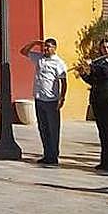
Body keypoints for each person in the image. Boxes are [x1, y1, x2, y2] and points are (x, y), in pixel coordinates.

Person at [21, 37, 67, 166]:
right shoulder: (39, 58)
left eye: (49, 46)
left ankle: (53, 155)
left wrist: (62, 98)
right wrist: (34, 43)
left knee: (53, 129)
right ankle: (47, 154)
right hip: (39, 97)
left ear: (55, 48)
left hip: (52, 99)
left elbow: (63, 82)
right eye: (45, 46)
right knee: (43, 127)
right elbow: (23, 52)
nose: (46, 49)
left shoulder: (59, 63)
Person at [80, 38, 108, 174]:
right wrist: (83, 74)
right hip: (98, 100)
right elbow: (93, 80)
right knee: (102, 132)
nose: (106, 50)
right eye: (104, 48)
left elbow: (107, 74)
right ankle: (105, 161)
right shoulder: (99, 64)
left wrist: (92, 65)